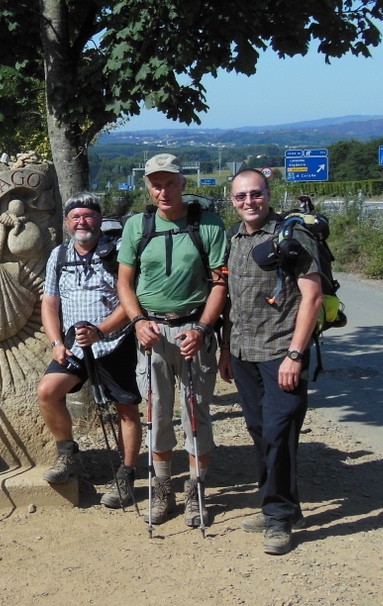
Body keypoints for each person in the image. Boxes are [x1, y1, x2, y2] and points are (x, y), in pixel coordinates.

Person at [117, 154, 228, 527]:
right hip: (152, 333)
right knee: (158, 413)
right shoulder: (137, 225)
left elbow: (219, 283)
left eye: (169, 183)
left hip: (193, 331)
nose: (162, 190)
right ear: (148, 187)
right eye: (155, 184)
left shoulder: (208, 225)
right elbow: (124, 283)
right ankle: (163, 489)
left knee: (196, 414)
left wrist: (202, 329)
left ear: (183, 183)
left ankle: (197, 491)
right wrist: (136, 321)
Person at [218, 168, 324, 555]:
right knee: (260, 429)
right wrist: (226, 350)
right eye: (241, 196)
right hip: (245, 352)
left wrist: (296, 354)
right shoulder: (234, 238)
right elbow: (232, 302)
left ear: (268, 194)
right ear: (232, 201)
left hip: (282, 352)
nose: (249, 202)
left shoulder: (292, 236)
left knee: (279, 431)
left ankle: (278, 517)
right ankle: (280, 504)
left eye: (256, 194)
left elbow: (311, 298)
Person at [37, 192, 142, 508]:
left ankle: (126, 474)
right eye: (75, 217)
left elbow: (130, 300)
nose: (82, 222)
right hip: (74, 347)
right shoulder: (59, 255)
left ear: (98, 219)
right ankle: (68, 455)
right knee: (48, 391)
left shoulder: (117, 251)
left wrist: (102, 331)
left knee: (125, 409)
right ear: (68, 223)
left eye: (88, 216)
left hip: (114, 343)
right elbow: (49, 302)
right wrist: (56, 342)